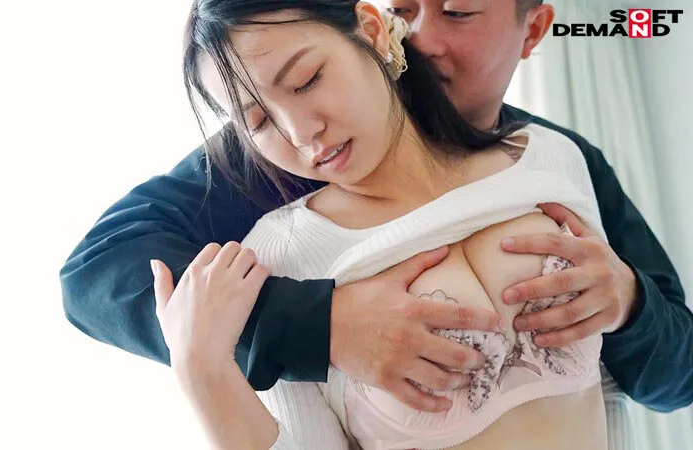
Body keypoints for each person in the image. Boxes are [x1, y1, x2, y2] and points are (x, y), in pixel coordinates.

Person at [59, 0, 692, 417]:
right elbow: (98, 275)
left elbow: (680, 371)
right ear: (372, 27)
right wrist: (320, 324)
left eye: (459, 12)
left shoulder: (553, 160)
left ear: (532, 30)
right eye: (404, 10)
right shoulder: (293, 142)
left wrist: (630, 301)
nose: (422, 37)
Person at [153, 2, 612, 448]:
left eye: (306, 80)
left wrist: (626, 296)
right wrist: (202, 373)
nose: (300, 132)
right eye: (258, 122)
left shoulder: (548, 157)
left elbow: (613, 384)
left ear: (372, 31)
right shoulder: (280, 255)